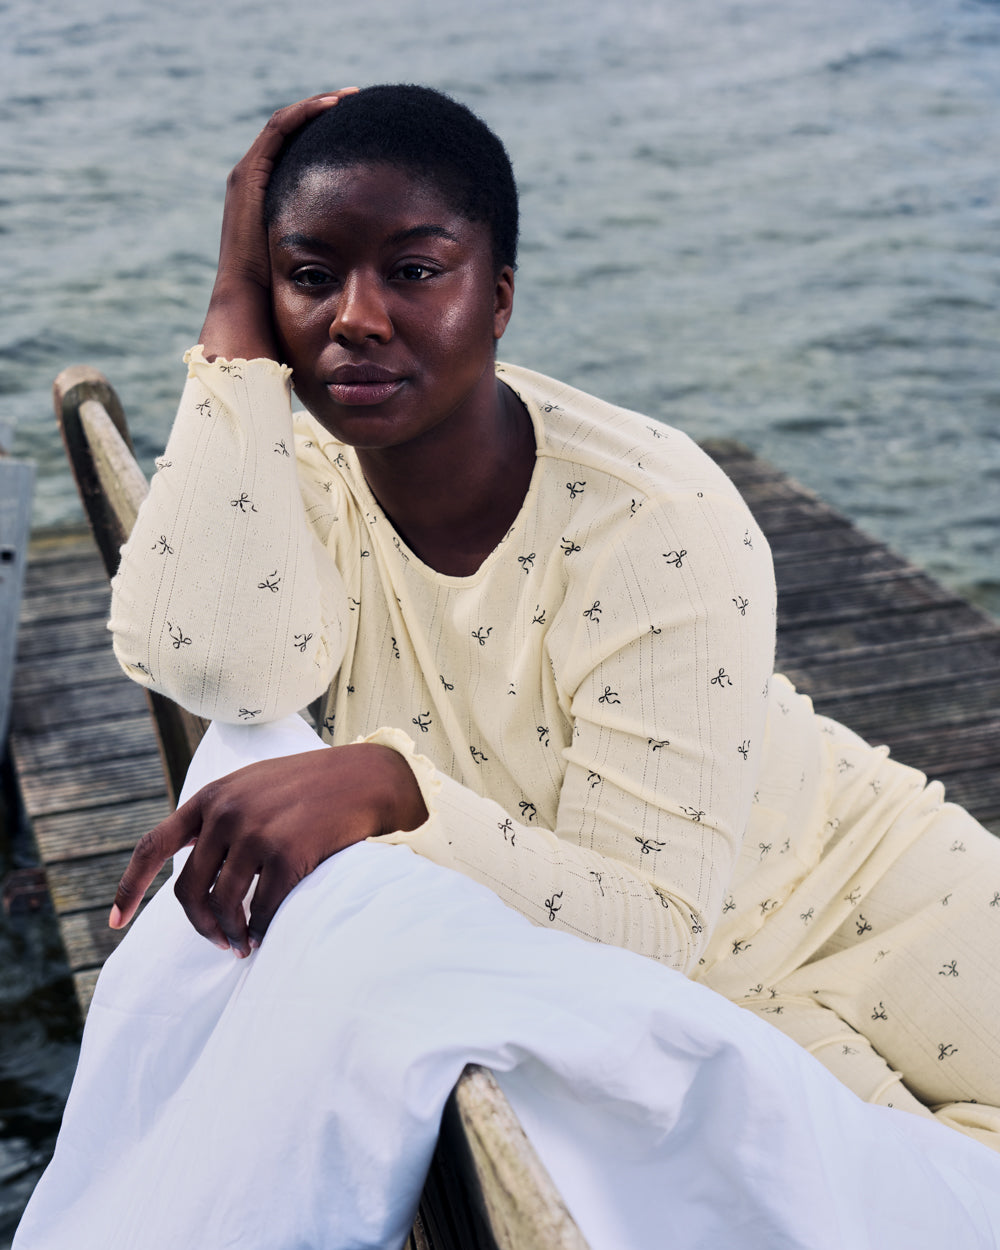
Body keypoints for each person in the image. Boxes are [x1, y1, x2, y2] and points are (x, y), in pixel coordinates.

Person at [102, 84, 1000, 1154]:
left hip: (871, 896)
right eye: (308, 276)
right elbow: (199, 657)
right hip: (713, 1005)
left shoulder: (649, 516)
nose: (354, 317)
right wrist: (232, 314)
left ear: (498, 298)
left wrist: (394, 787)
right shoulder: (287, 482)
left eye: (414, 270)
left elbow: (652, 922)